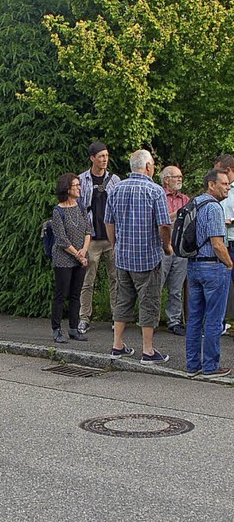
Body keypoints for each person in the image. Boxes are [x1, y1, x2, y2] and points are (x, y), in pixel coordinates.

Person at [104, 149, 172, 364]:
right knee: (149, 302)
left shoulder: (115, 189)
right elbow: (164, 224)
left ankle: (117, 345)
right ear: (149, 167)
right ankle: (148, 350)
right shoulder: (155, 190)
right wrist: (167, 246)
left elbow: (108, 222)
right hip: (147, 257)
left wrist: (115, 245)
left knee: (123, 300)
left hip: (123, 256)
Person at [185, 168, 234, 378]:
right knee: (214, 319)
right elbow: (217, 244)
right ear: (211, 184)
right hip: (213, 267)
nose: (228, 187)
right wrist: (230, 264)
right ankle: (211, 366)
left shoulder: (195, 202)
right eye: (223, 184)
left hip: (193, 265)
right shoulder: (214, 208)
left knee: (195, 318)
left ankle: (192, 363)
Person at [77, 141, 121, 334]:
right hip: (92, 238)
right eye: (101, 156)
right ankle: (84, 317)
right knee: (88, 280)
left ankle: (117, 317)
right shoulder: (82, 180)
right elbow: (77, 210)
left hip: (111, 238)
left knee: (116, 279)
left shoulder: (115, 180)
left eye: (106, 156)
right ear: (92, 158)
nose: (104, 159)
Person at [49, 173, 91, 343]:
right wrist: (78, 255)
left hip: (81, 256)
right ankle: (56, 329)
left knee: (76, 294)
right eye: (76, 185)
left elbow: (88, 230)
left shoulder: (81, 207)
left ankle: (74, 328)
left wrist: (84, 251)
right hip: (64, 259)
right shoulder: (58, 211)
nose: (79, 188)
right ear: (67, 189)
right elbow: (61, 239)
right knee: (61, 294)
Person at [160, 165, 189, 335]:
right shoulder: (159, 196)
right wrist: (176, 215)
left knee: (176, 289)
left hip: (180, 247)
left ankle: (174, 321)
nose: (180, 179)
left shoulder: (186, 199)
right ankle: (151, 320)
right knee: (156, 286)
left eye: (180, 176)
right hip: (162, 247)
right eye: (176, 176)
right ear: (166, 179)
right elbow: (160, 220)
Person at [212, 154, 234, 332]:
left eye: (218, 169)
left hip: (232, 239)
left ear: (228, 170)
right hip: (220, 243)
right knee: (220, 285)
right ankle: (219, 324)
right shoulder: (216, 189)